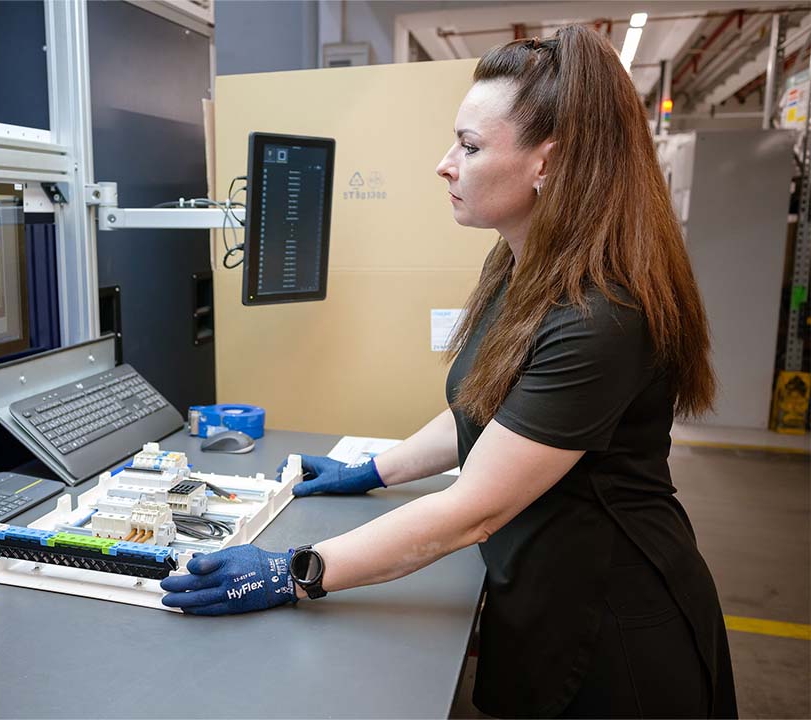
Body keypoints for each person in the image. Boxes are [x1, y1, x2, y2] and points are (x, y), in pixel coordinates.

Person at [160, 25, 737, 719]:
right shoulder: (520, 264)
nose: (444, 164)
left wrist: (297, 571)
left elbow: (475, 508)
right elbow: (489, 404)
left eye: (468, 146)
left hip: (615, 622)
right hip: (545, 585)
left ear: (547, 164)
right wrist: (377, 469)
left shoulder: (601, 316)